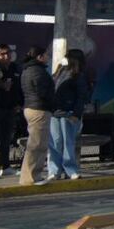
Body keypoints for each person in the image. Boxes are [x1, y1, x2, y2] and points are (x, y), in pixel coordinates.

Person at [47, 51, 91, 180]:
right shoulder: (60, 72)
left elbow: (81, 96)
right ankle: (54, 170)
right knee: (55, 142)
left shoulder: (78, 75)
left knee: (67, 142)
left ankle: (70, 169)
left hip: (69, 112)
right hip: (56, 112)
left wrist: (76, 114)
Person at [18, 46, 54, 186]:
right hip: (39, 109)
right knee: (37, 144)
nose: (48, 57)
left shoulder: (28, 70)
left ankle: (32, 175)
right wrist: (53, 102)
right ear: (39, 57)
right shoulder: (38, 72)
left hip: (31, 107)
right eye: (46, 54)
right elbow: (43, 92)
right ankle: (31, 177)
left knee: (37, 143)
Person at [0, 44, 21, 177]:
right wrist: (1, 85)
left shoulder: (14, 68)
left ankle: (5, 165)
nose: (6, 56)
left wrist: (18, 103)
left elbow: (18, 88)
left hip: (10, 108)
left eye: (7, 53)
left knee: (6, 139)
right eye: (2, 54)